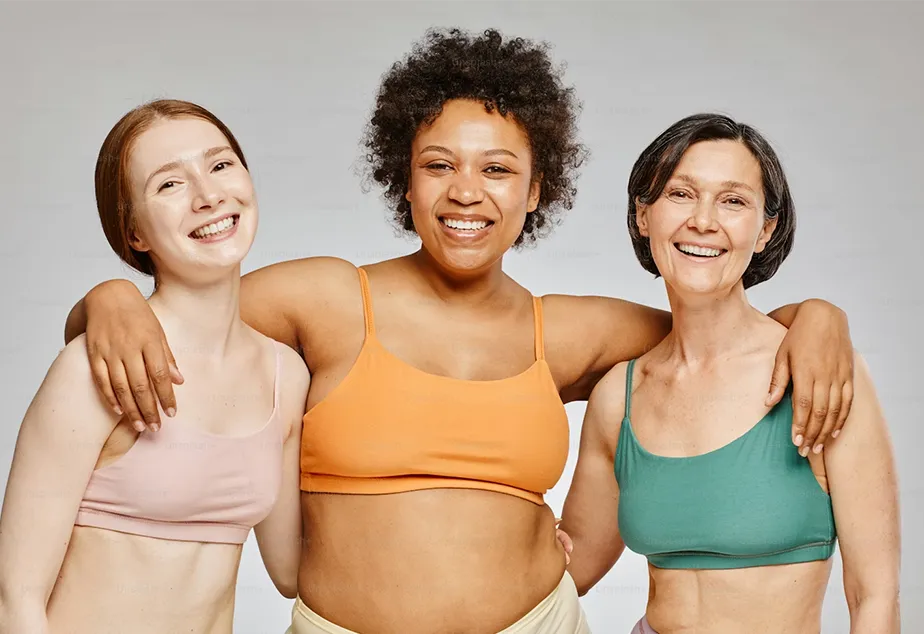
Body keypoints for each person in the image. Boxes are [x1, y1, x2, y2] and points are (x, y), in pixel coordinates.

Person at [62, 31, 854, 634]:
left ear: (537, 188)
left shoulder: (568, 332)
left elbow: (719, 333)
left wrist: (816, 319)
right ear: (402, 181)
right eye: (438, 166)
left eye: (498, 170)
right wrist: (105, 297)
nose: (465, 193)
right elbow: (154, 329)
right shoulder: (327, 298)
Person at [559, 113, 901, 634]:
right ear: (642, 215)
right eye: (680, 194)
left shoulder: (821, 374)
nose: (703, 220)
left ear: (765, 230)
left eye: (733, 200)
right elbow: (570, 567)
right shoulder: (619, 397)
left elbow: (873, 595)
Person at [0, 100, 310, 634]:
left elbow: (292, 572)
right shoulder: (95, 369)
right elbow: (15, 599)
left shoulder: (286, 375)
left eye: (220, 165)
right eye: (169, 184)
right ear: (135, 233)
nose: (208, 195)